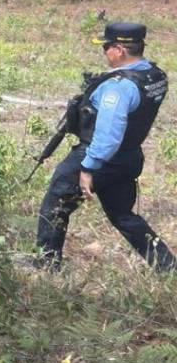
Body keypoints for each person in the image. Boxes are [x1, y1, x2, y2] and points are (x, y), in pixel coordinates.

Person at [36, 22, 174, 272]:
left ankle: (46, 265)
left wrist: (88, 168)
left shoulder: (119, 87)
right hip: (129, 156)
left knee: (55, 205)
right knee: (123, 215)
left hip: (99, 156)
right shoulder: (154, 76)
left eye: (106, 47)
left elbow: (109, 134)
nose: (104, 52)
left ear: (119, 50)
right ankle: (168, 267)